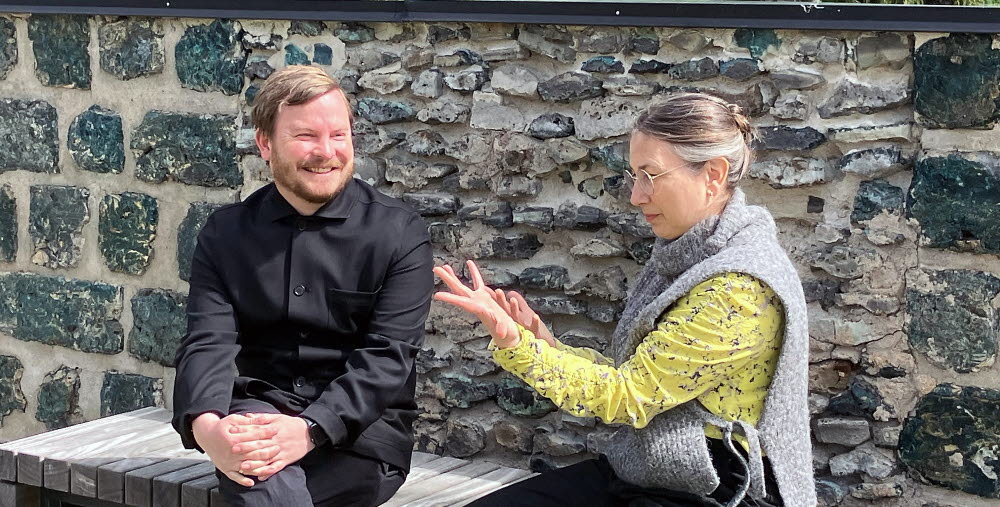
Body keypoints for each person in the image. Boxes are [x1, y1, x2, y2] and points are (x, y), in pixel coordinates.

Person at [434, 93, 815, 507]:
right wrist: (543, 342)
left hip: (715, 488)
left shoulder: (739, 288)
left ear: (713, 175)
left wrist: (518, 347)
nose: (636, 196)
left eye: (650, 175)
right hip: (650, 467)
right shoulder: (685, 252)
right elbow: (631, 375)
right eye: (635, 175)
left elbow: (628, 397)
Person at [171, 65, 434, 507]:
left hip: (362, 437)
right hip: (261, 414)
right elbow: (206, 342)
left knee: (266, 488)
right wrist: (208, 429)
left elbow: (388, 359)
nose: (326, 152)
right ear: (265, 144)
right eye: (306, 136)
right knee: (259, 469)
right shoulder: (225, 234)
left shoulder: (400, 234)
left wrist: (310, 430)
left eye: (338, 135)